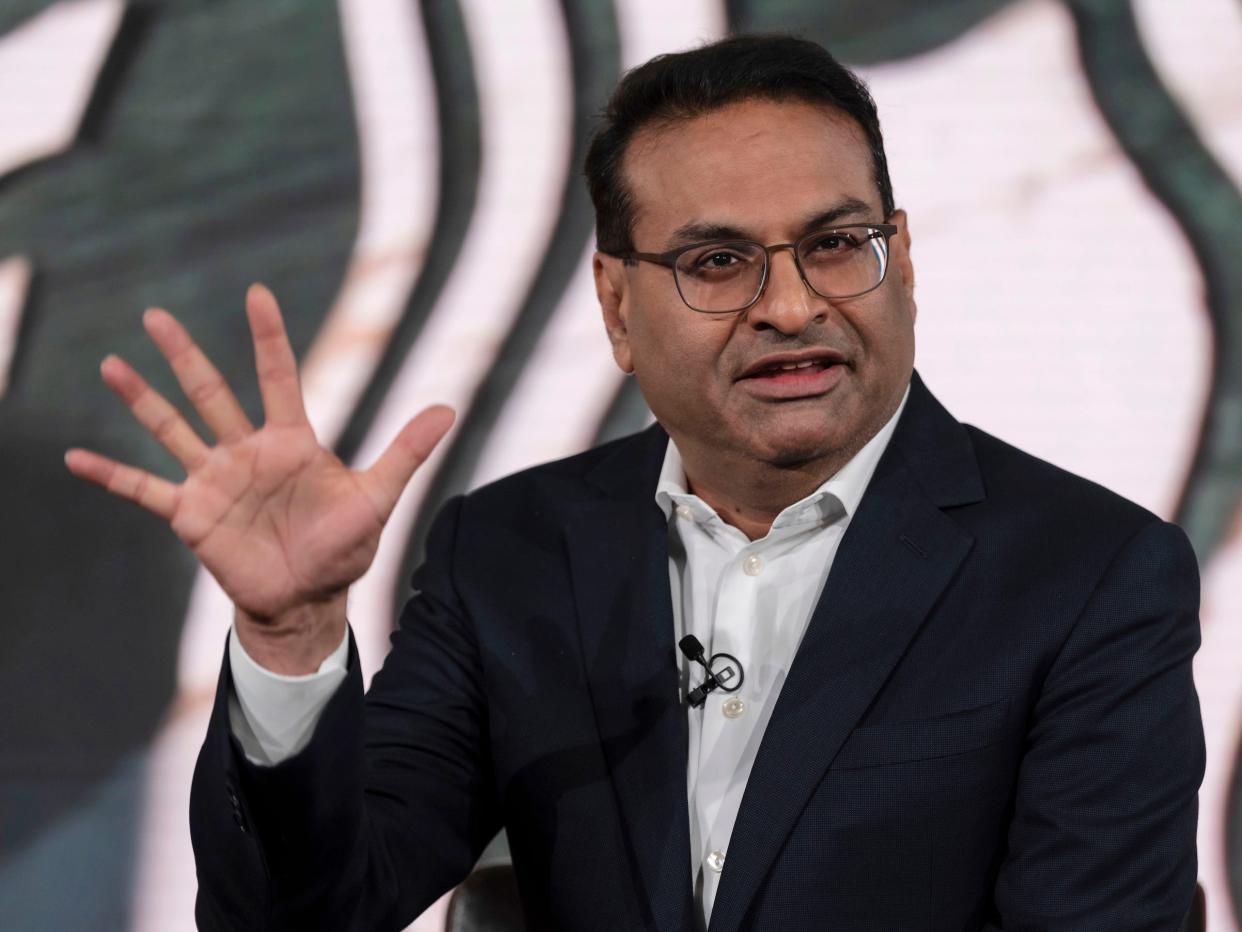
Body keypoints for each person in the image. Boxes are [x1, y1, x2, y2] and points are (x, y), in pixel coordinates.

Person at [66, 35, 1204, 932]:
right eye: (719, 262)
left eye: (835, 243)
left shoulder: (1089, 574)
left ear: (899, 258)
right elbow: (304, 912)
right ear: (617, 305)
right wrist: (291, 632)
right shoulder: (510, 552)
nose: (794, 304)